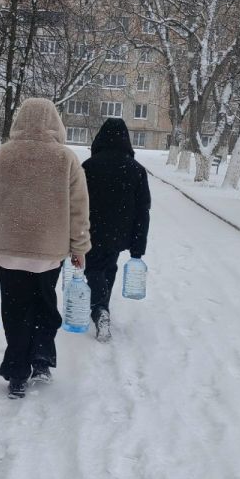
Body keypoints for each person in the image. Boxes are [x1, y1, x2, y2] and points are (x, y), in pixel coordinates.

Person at [0, 99, 90, 398]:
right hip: (49, 254)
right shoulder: (66, 159)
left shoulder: (4, 156)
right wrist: (79, 247)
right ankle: (40, 358)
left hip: (10, 251)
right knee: (45, 307)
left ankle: (17, 372)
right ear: (55, 122)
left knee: (16, 311)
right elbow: (78, 208)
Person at [82, 118, 151, 342]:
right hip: (119, 232)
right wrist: (137, 247)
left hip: (91, 228)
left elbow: (75, 203)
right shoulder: (136, 170)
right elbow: (143, 209)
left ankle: (100, 309)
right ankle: (102, 308)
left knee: (93, 268)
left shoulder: (88, 167)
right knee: (109, 267)